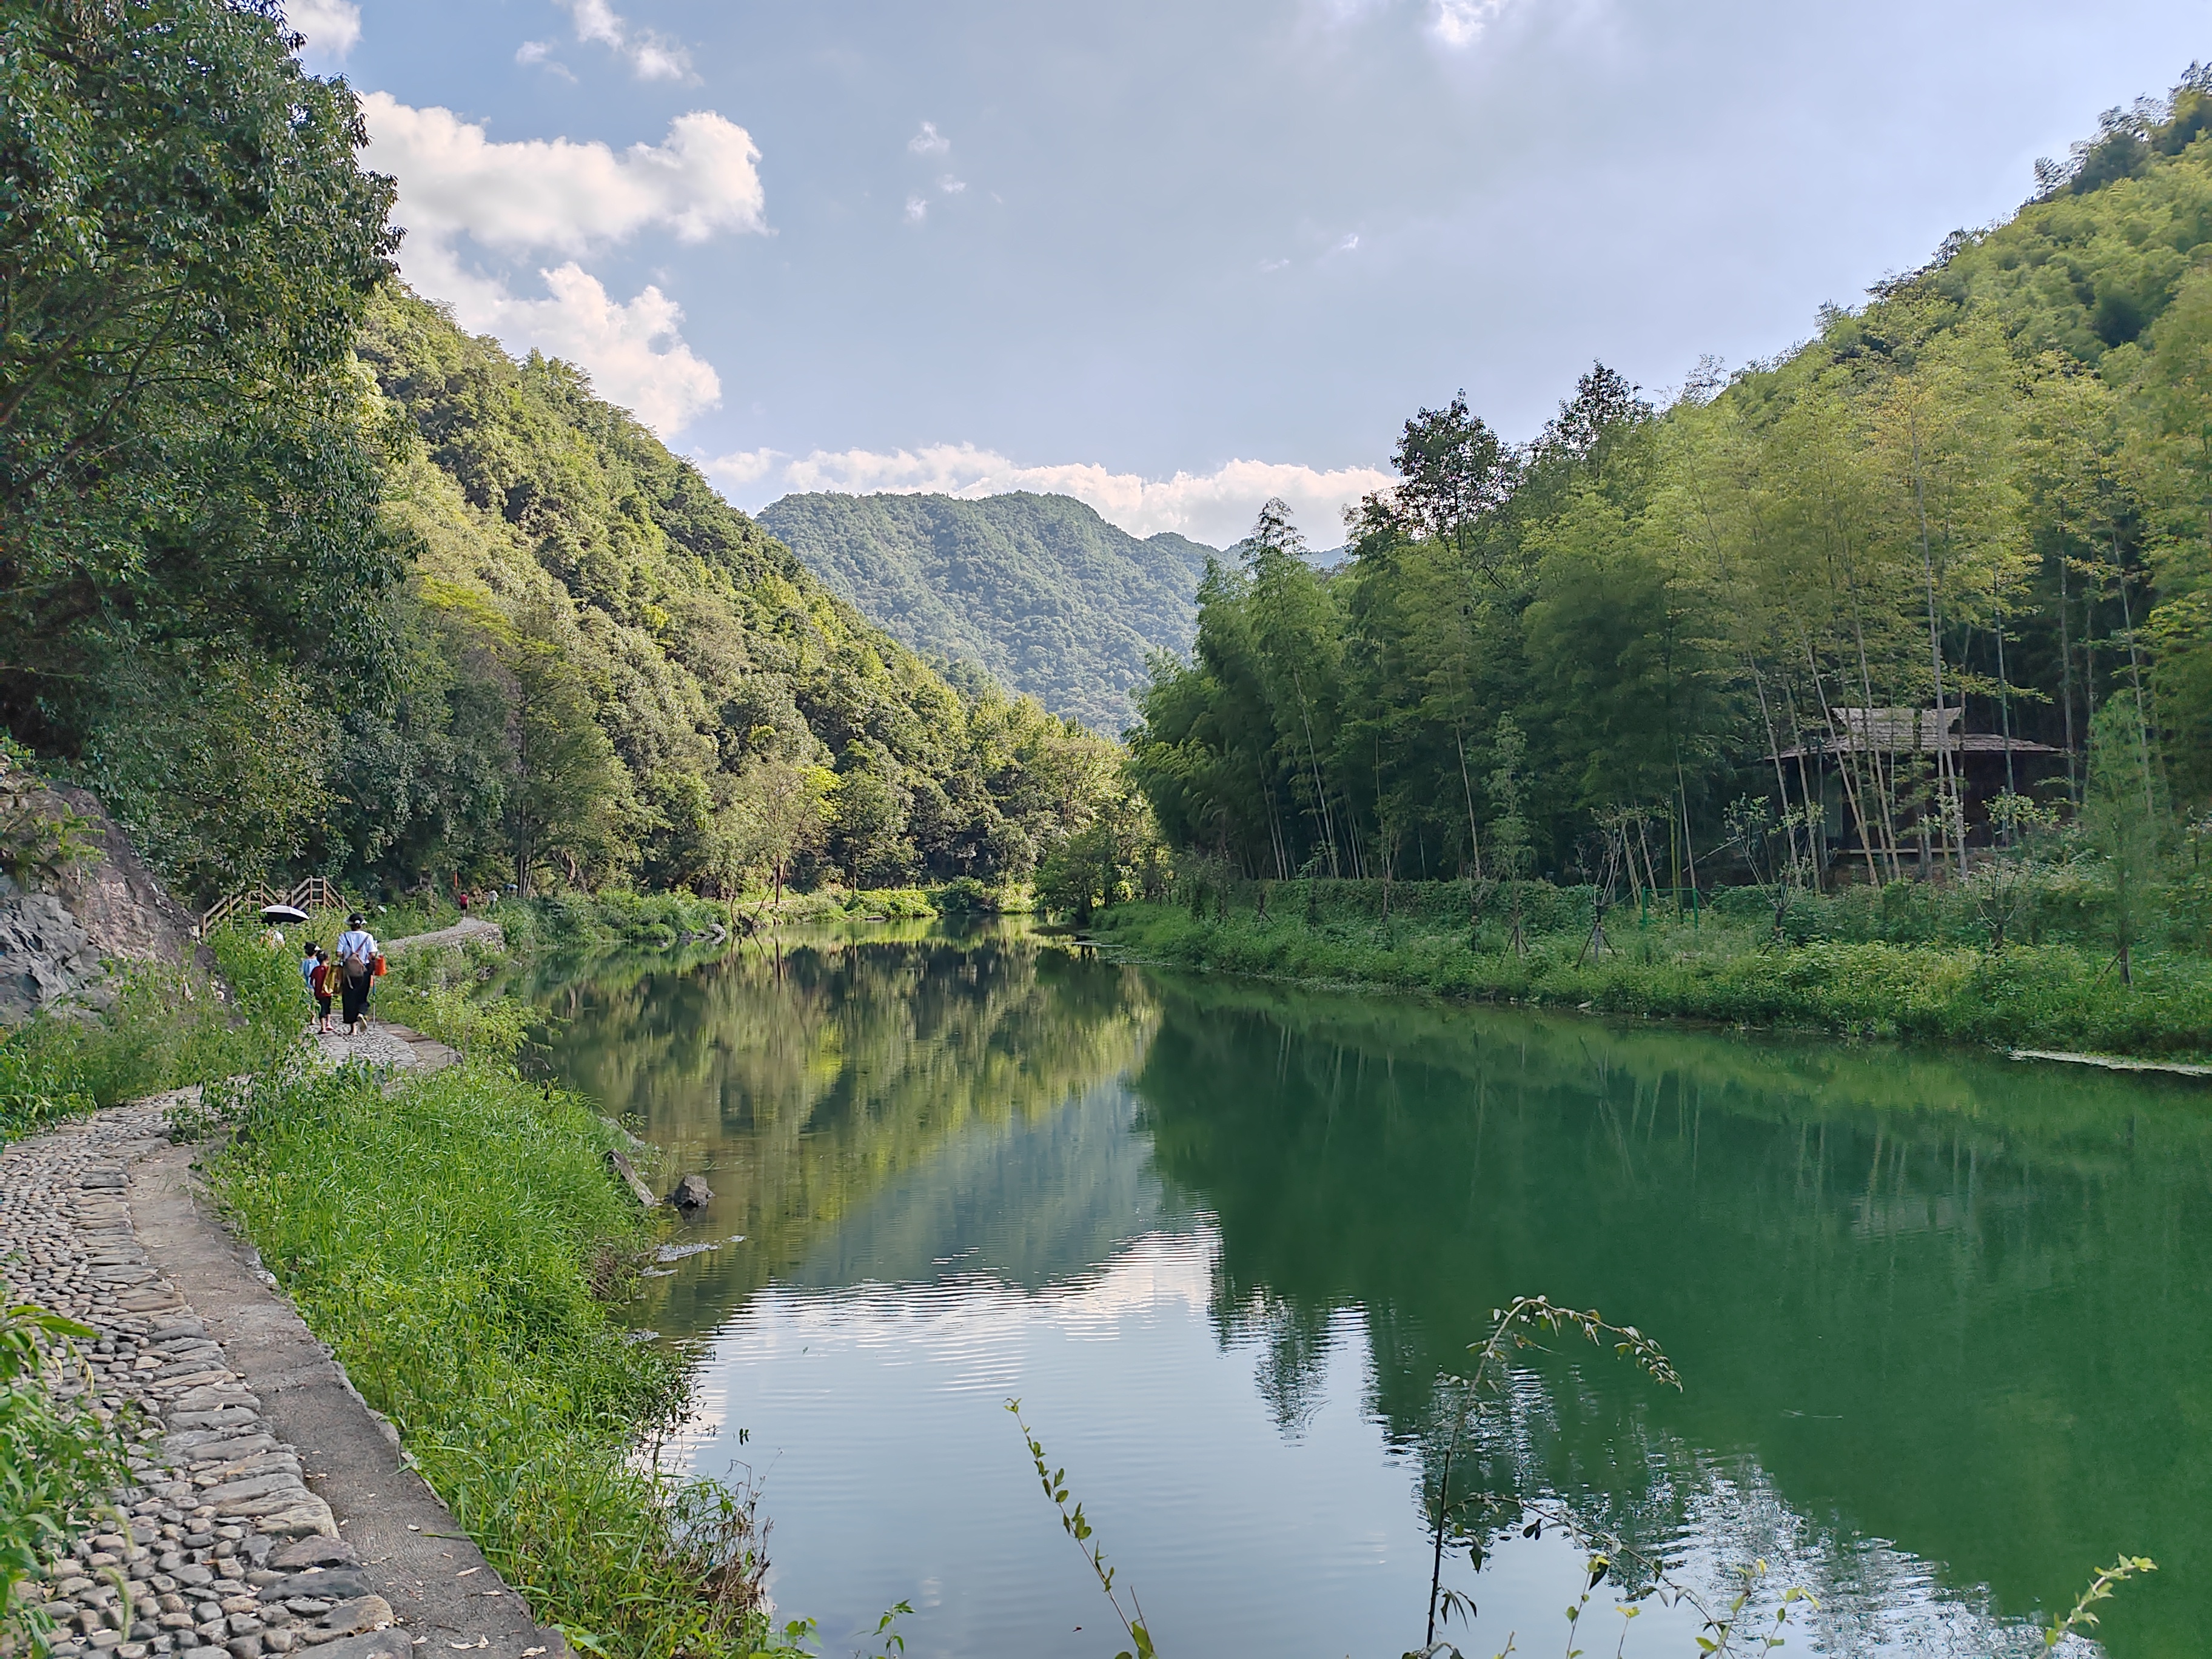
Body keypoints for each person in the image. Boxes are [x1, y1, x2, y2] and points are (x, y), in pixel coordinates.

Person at [335, 913, 380, 1034]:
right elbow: (372, 954)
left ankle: (353, 1029)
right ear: (362, 925)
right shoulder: (368, 937)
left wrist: (348, 954)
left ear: (350, 925)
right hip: (364, 971)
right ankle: (361, 1013)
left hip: (348, 972)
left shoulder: (344, 937)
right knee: (362, 996)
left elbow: (339, 953)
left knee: (349, 998)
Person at [308, 948, 335, 1034]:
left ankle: (323, 1027)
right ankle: (329, 1023)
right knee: (328, 1008)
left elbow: (312, 981)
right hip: (328, 993)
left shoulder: (316, 970)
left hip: (319, 993)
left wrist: (315, 988)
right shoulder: (330, 970)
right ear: (328, 959)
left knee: (321, 1010)